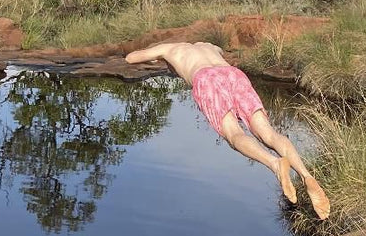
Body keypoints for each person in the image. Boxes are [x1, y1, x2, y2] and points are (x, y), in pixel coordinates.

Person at [124, 40, 330, 218]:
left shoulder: (170, 49)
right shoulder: (210, 47)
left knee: (234, 134)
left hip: (205, 79)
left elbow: (131, 58)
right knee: (267, 132)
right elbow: (220, 51)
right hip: (233, 75)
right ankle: (306, 176)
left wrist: (157, 58)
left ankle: (275, 165)